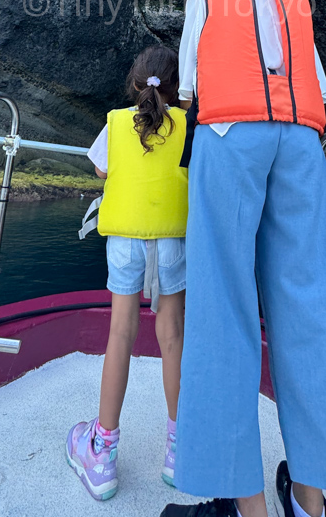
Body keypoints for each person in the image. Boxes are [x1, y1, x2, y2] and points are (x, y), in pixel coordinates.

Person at [161, 0, 326, 517]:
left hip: (232, 136)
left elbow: (191, 84)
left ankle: (248, 506)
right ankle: (311, 499)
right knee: (313, 307)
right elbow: (321, 87)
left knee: (223, 305)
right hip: (303, 143)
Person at [67, 44, 189, 501]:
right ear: (180, 88)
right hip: (173, 239)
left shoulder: (117, 122)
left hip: (125, 241)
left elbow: (101, 169)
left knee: (121, 333)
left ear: (134, 85)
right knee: (173, 336)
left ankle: (101, 453)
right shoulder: (187, 127)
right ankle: (179, 452)